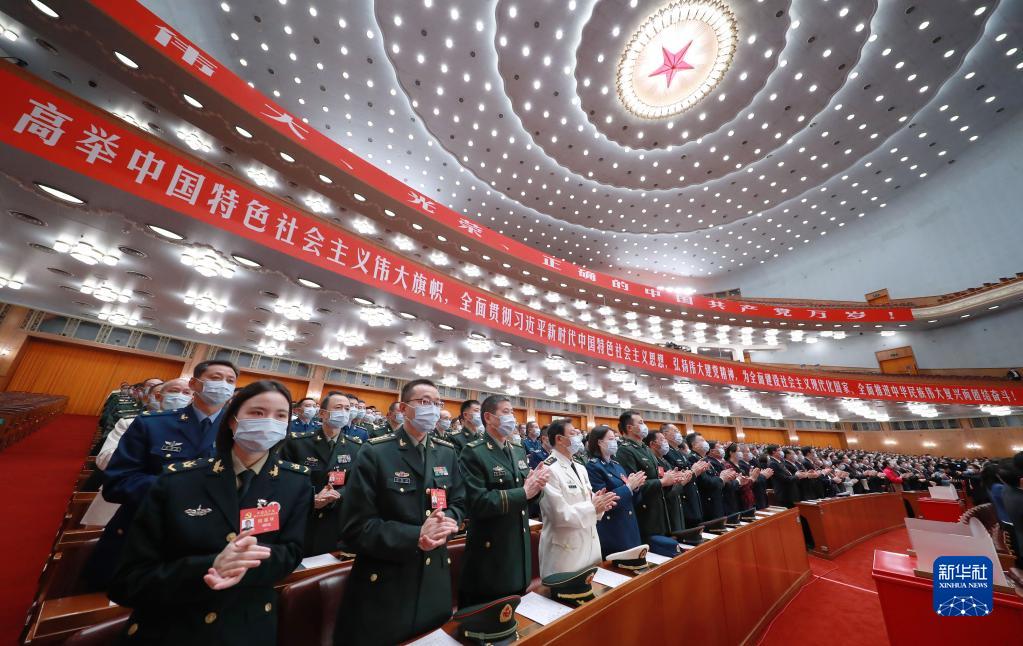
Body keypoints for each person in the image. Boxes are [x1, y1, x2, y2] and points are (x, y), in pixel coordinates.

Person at [108, 379, 310, 645]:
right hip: (171, 626)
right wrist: (210, 566)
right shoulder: (178, 480)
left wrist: (243, 565)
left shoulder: (295, 483)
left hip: (245, 626)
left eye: (280, 416)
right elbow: (128, 581)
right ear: (232, 420)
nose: (268, 422)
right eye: (257, 412)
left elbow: (291, 552)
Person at [335, 379, 465, 646]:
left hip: (435, 577)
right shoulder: (376, 451)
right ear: (404, 409)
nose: (433, 408)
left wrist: (448, 522)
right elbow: (356, 527)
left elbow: (460, 502)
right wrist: (416, 535)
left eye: (437, 403)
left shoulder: (446, 452)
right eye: (425, 402)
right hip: (387, 582)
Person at [87, 361, 238, 590]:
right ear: (194, 384)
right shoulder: (152, 424)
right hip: (143, 533)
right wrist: (179, 487)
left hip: (203, 541)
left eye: (230, 381)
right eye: (216, 378)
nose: (223, 385)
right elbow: (117, 483)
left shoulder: (238, 432)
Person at [458, 394, 548, 606]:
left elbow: (527, 494)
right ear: (488, 418)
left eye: (513, 413)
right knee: (494, 609)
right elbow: (478, 502)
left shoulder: (517, 450)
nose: (512, 418)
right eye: (506, 412)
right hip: (492, 549)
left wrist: (537, 486)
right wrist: (524, 492)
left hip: (518, 543)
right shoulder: (474, 452)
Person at [280, 391, 362, 556]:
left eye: (347, 409)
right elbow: (284, 481)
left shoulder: (356, 446)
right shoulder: (297, 442)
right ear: (323, 413)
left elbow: (356, 482)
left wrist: (337, 495)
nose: (344, 412)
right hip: (301, 516)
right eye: (338, 408)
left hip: (333, 518)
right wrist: (312, 499)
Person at [538, 420, 617, 577]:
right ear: (559, 439)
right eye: (573, 433)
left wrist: (600, 504)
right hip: (566, 550)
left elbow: (587, 499)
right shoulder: (548, 469)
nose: (578, 437)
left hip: (589, 543)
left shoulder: (580, 467)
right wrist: (593, 507)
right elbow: (558, 515)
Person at [609, 412, 680, 543]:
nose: (644, 426)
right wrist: (662, 482)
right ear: (629, 428)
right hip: (645, 512)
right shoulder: (625, 450)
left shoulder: (645, 449)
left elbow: (658, 474)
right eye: (641, 423)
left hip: (659, 509)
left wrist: (670, 478)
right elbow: (634, 484)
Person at [96, 379, 192, 471]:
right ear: (158, 397)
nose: (179, 396)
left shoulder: (194, 428)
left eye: (186, 393)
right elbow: (104, 461)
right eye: (174, 391)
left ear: (192, 399)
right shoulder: (130, 423)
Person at [585, 426, 645, 557]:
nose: (615, 442)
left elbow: (632, 499)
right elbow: (604, 500)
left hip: (629, 523)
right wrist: (628, 487)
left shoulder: (616, 465)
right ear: (600, 442)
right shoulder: (593, 467)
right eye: (611, 439)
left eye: (615, 439)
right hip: (613, 526)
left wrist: (635, 488)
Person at [645, 430, 692, 533]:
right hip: (666, 511)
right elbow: (667, 493)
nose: (665, 442)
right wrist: (681, 483)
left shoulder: (664, 460)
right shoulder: (654, 462)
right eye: (662, 439)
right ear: (652, 444)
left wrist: (681, 477)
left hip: (675, 507)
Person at [687, 433, 727, 521]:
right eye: (702, 440)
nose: (705, 443)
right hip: (708, 503)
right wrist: (721, 479)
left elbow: (713, 476)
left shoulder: (703, 458)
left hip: (715, 501)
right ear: (694, 445)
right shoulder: (693, 459)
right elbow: (705, 481)